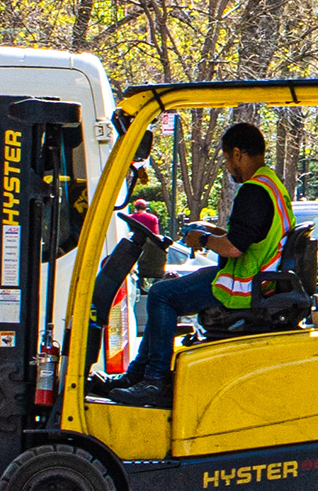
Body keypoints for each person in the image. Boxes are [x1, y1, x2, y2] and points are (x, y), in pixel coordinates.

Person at [96, 122, 294, 403]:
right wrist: (213, 232)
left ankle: (154, 380)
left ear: (238, 154)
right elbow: (251, 237)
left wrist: (202, 239)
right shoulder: (271, 184)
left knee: (161, 295)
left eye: (227, 158)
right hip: (258, 277)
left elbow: (234, 248)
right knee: (166, 291)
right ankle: (137, 375)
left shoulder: (253, 191)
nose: (228, 166)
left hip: (246, 284)